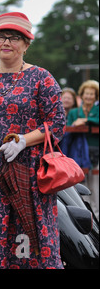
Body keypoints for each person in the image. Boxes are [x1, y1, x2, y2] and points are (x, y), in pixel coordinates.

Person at [0, 12, 66, 268]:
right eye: (1, 37)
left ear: (26, 45)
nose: (6, 43)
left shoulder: (42, 78)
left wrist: (23, 140)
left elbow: (57, 123)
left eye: (14, 38)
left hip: (28, 174)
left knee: (28, 239)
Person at [67, 80, 99, 219]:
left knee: (95, 187)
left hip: (96, 153)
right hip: (78, 154)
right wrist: (75, 124)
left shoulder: (97, 111)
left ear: (96, 96)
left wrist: (85, 121)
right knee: (80, 186)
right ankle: (83, 216)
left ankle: (97, 216)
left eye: (92, 94)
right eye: (87, 93)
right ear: (82, 94)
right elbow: (67, 127)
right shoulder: (74, 112)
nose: (89, 97)